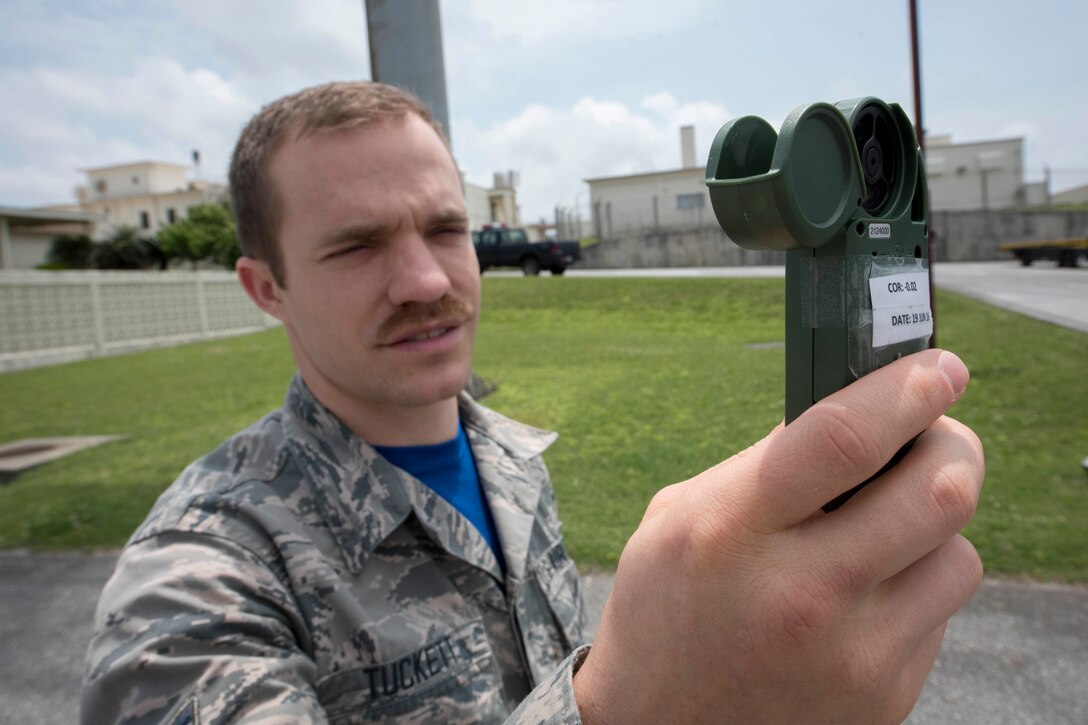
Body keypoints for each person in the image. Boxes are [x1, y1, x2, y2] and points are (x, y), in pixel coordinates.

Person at [83, 81, 985, 724]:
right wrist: (628, 710)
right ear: (264, 286)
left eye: (445, 228)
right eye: (356, 246)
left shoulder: (511, 463)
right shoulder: (198, 576)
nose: (426, 278)